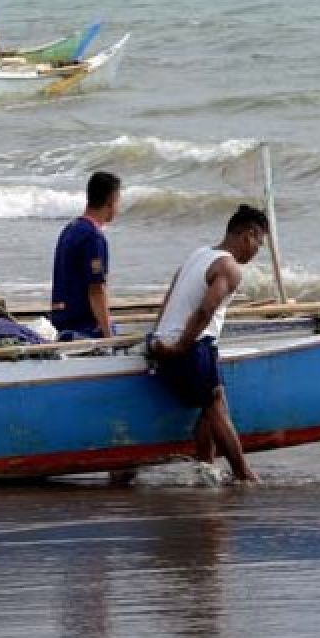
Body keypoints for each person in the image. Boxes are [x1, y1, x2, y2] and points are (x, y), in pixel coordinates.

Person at [147, 204, 270, 484]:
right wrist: (180, 347)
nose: (257, 251)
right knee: (216, 407)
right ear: (248, 234)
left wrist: (157, 339)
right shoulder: (230, 267)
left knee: (210, 405)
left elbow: (169, 295)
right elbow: (205, 311)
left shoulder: (199, 254)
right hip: (189, 345)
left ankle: (205, 466)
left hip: (168, 340)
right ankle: (244, 475)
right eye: (259, 243)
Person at [50, 171, 121, 340]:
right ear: (111, 201)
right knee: (115, 330)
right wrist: (109, 336)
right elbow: (96, 290)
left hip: (60, 318)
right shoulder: (93, 237)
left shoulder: (70, 229)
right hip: (82, 324)